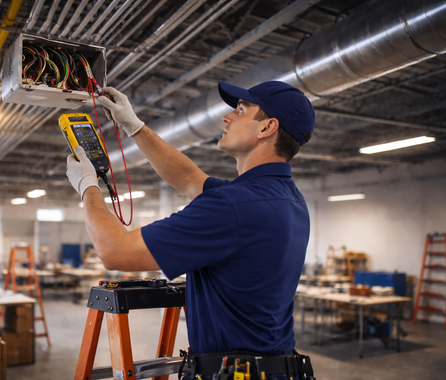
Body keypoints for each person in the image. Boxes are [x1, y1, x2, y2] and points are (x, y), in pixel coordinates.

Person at [66, 81, 316, 380]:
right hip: (277, 369)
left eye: (240, 110)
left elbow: (114, 251)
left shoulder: (233, 206)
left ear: (267, 128)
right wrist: (133, 126)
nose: (227, 117)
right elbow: (189, 178)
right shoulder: (285, 198)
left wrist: (88, 188)